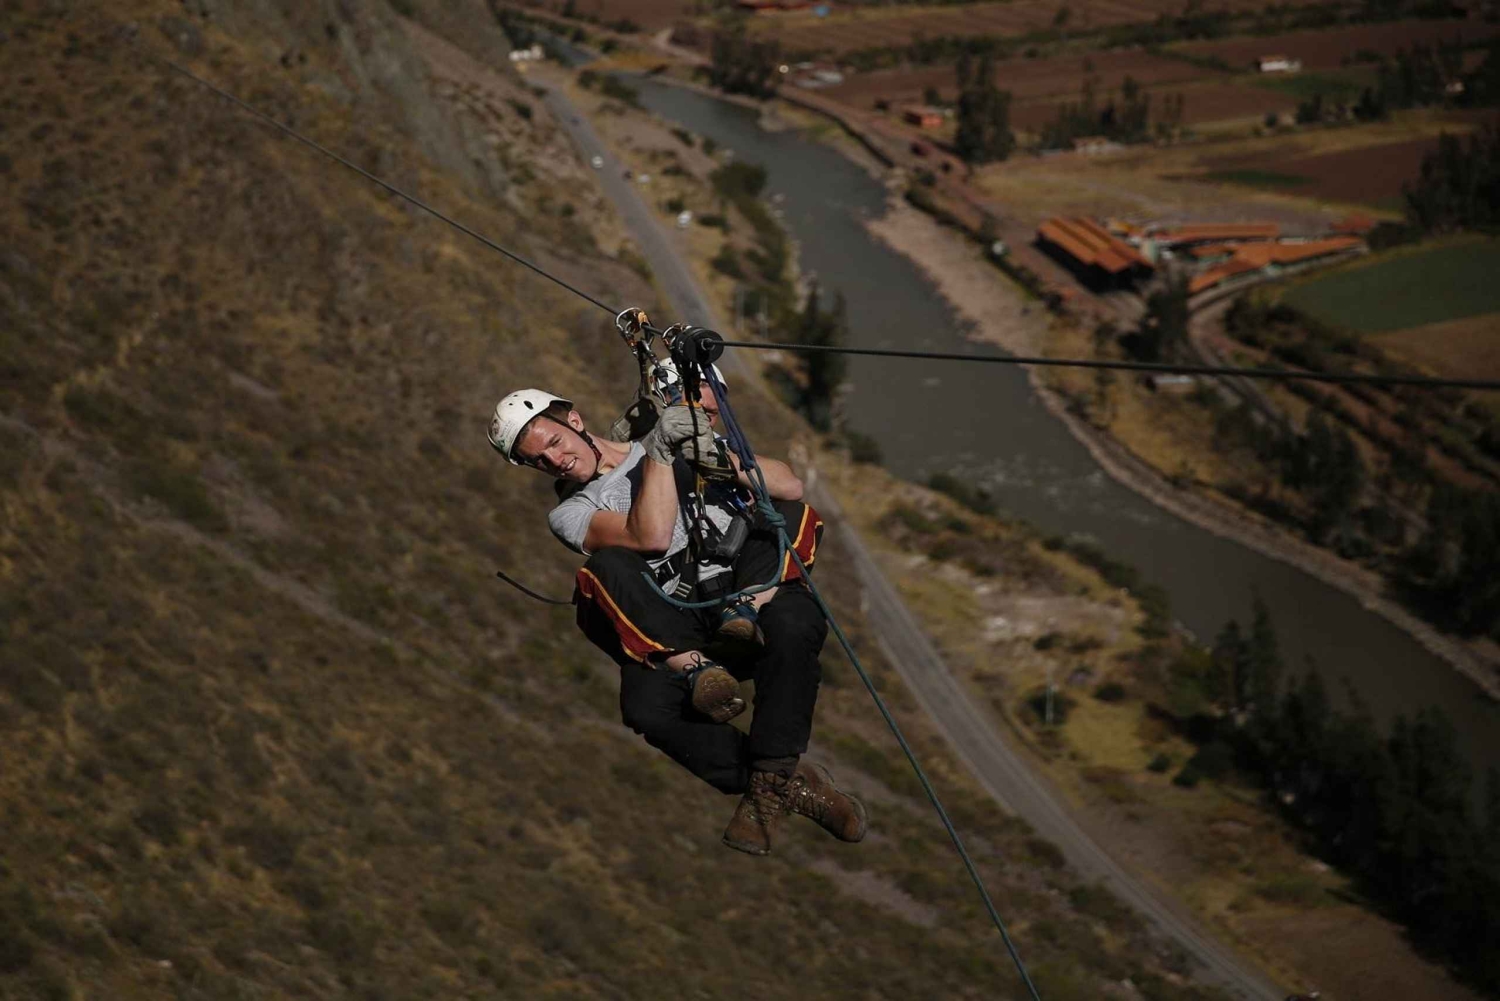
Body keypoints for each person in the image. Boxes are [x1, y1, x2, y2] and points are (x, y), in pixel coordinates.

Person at [488, 380, 867, 855]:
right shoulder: (572, 513)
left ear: (575, 421)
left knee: (791, 616)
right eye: (538, 460)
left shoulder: (675, 440)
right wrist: (661, 453)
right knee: (644, 701)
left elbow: (789, 486)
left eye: (554, 442)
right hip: (680, 627)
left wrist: (717, 459)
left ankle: (771, 781)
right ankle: (706, 684)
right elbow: (651, 537)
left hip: (747, 590)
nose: (554, 460)